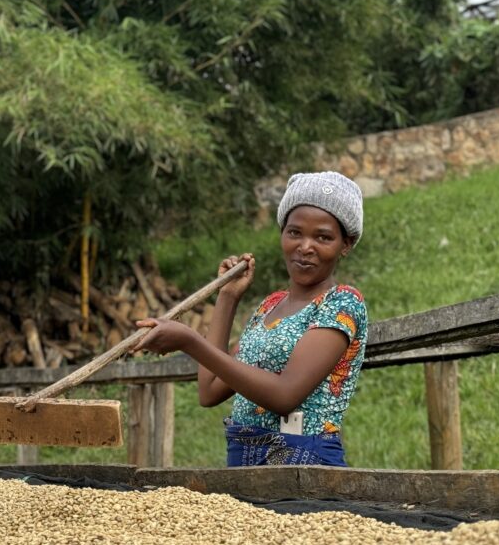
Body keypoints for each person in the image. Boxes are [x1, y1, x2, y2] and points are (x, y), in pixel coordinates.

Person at [134, 171, 367, 466]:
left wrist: (189, 340)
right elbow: (209, 390)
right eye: (295, 232)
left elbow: (285, 396)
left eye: (323, 237)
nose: (305, 246)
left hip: (306, 467)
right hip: (243, 462)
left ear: (345, 244)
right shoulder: (270, 306)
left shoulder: (342, 303)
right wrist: (227, 297)